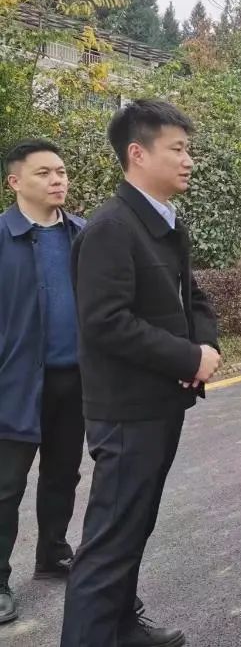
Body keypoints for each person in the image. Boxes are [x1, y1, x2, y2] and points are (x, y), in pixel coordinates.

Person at [61, 100, 222, 647]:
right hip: (125, 411)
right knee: (109, 540)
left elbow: (192, 296)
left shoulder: (162, 223)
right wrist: (186, 358)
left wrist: (205, 344)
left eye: (188, 149)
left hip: (159, 403)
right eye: (177, 149)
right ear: (138, 153)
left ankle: (121, 626)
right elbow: (105, 322)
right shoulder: (111, 228)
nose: (188, 160)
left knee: (134, 526)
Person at [0, 141, 85, 626]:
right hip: (13, 383)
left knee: (63, 473)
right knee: (5, 485)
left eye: (62, 171)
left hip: (73, 380)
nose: (58, 180)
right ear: (15, 182)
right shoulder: (3, 237)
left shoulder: (82, 235)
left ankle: (53, 553)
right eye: (44, 173)